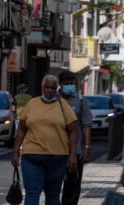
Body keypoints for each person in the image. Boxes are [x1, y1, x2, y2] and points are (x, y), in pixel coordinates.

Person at [12, 74, 78, 205]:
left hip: (57, 158)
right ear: (42, 88)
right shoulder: (32, 104)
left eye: (53, 88)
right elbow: (21, 129)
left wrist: (73, 155)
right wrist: (15, 151)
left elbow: (73, 131)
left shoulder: (64, 105)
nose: (50, 90)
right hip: (32, 157)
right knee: (32, 193)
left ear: (56, 89)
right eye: (47, 87)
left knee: (53, 195)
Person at [58, 70, 93, 205]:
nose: (69, 86)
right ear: (60, 84)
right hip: (55, 150)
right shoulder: (53, 99)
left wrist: (87, 147)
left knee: (73, 186)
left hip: (76, 152)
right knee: (53, 184)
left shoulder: (80, 100)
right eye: (66, 83)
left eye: (71, 83)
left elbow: (86, 126)